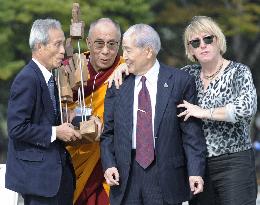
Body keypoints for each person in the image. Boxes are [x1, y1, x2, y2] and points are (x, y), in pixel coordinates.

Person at [100, 23, 206, 205]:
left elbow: (191, 135)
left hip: (165, 176)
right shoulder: (117, 83)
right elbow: (108, 133)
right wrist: (109, 164)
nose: (124, 56)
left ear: (148, 52)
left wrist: (195, 171)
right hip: (126, 176)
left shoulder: (180, 82)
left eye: (128, 50)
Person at [177, 16, 258, 205]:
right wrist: (125, 66)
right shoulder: (187, 75)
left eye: (208, 39)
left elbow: (246, 108)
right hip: (199, 166)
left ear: (218, 40)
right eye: (195, 42)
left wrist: (204, 112)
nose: (202, 45)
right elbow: (157, 81)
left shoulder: (238, 72)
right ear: (190, 50)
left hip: (234, 162)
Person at [5, 19, 81, 205]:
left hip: (58, 179)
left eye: (63, 44)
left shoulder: (51, 78)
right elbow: (16, 128)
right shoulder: (27, 79)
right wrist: (56, 132)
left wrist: (69, 119)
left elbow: (47, 118)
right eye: (57, 44)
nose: (63, 50)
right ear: (39, 46)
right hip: (39, 182)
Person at [66, 18, 125, 205]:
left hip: (110, 163)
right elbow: (56, 107)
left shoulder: (127, 71)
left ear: (120, 44)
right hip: (75, 155)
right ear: (89, 42)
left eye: (112, 44)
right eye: (99, 44)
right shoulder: (72, 68)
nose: (106, 51)